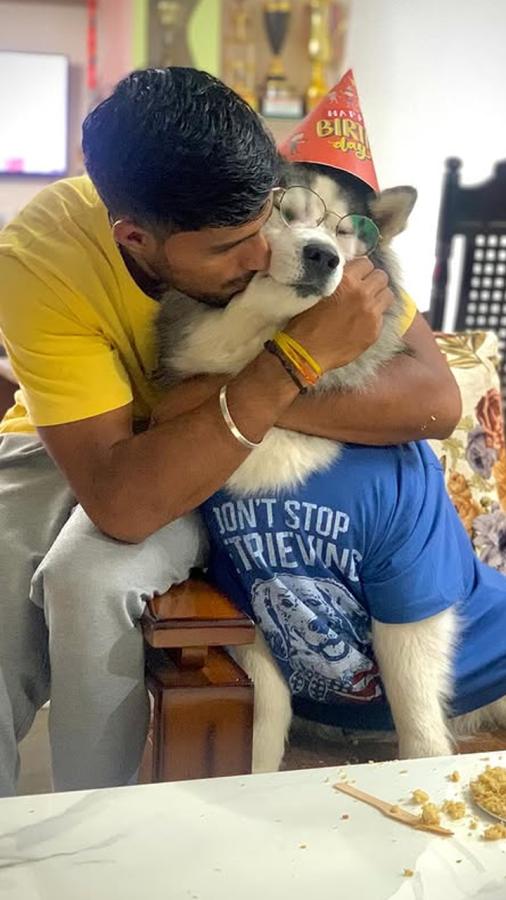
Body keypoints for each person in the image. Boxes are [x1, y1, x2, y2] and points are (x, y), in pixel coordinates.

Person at [0, 67, 460, 797]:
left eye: (269, 222)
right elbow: (121, 495)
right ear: (137, 239)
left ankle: (105, 816)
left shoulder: (286, 224)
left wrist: (250, 393)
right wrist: (297, 360)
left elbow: (436, 397)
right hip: (87, 446)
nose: (265, 257)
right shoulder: (40, 257)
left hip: (236, 453)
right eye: (227, 249)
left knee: (86, 579)